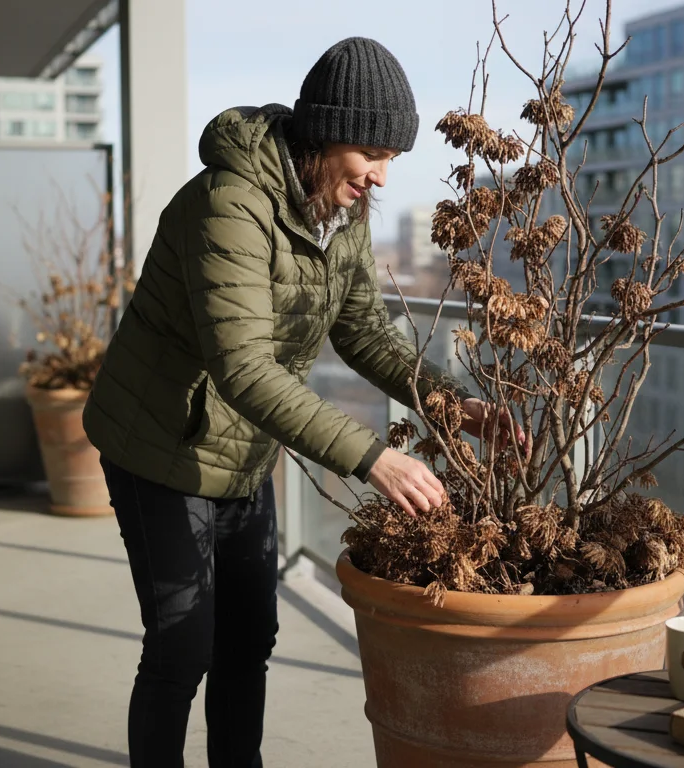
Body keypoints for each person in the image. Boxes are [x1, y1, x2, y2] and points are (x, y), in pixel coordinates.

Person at [83, 36, 518, 767]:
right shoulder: (229, 205)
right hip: (160, 445)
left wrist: (454, 406)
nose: (381, 178)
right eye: (372, 155)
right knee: (182, 648)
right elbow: (244, 367)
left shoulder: (338, 212)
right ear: (325, 132)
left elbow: (365, 334)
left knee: (249, 638)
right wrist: (372, 458)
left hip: (243, 449)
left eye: (391, 161)